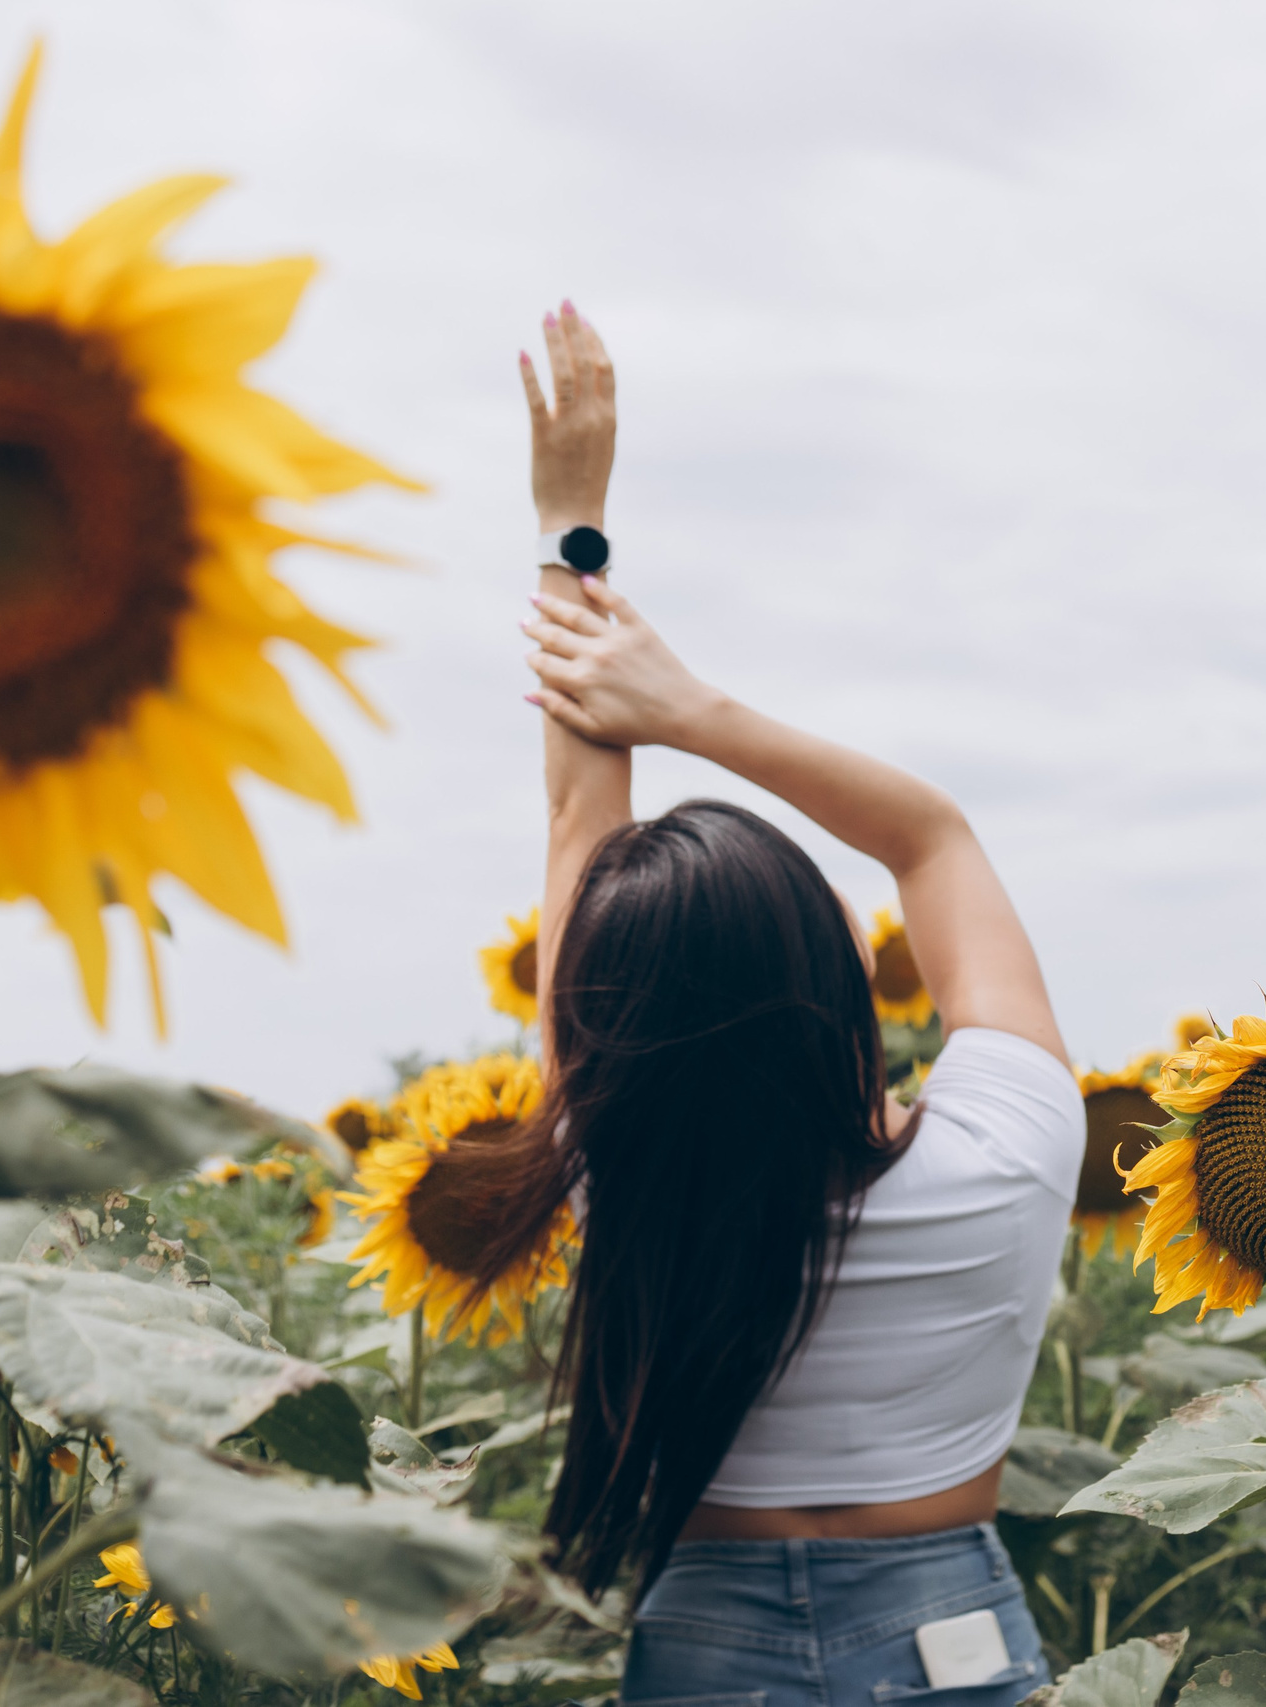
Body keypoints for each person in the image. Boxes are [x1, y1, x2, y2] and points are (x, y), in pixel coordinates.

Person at [478, 300, 1081, 1703]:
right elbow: (932, 837)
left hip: (707, 1645)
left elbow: (579, 829)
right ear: (838, 981)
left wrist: (574, 523)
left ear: (611, 1022)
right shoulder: (1002, 1153)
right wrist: (690, 710)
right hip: (950, 1640)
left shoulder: (609, 1173)